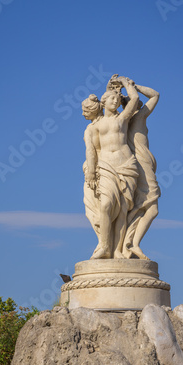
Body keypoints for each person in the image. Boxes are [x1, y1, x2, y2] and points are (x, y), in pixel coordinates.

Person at [85, 76, 140, 259]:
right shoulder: (94, 127)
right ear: (104, 102)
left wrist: (126, 83)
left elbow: (135, 100)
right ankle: (104, 246)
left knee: (123, 209)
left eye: (117, 99)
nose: (116, 101)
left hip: (126, 165)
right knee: (106, 205)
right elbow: (91, 151)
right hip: (106, 166)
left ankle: (117, 249)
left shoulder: (123, 118)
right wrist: (91, 173)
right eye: (112, 98)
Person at [121, 81, 161, 259]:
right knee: (152, 209)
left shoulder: (123, 121)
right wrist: (134, 86)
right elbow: (155, 95)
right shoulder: (138, 117)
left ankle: (126, 244)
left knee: (137, 208)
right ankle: (133, 244)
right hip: (143, 166)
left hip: (137, 165)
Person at [82, 94, 103, 256]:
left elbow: (90, 151)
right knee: (96, 210)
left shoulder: (91, 129)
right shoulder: (108, 123)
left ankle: (105, 243)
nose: (83, 114)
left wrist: (90, 173)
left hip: (95, 172)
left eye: (85, 110)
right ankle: (106, 243)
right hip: (103, 169)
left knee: (93, 210)